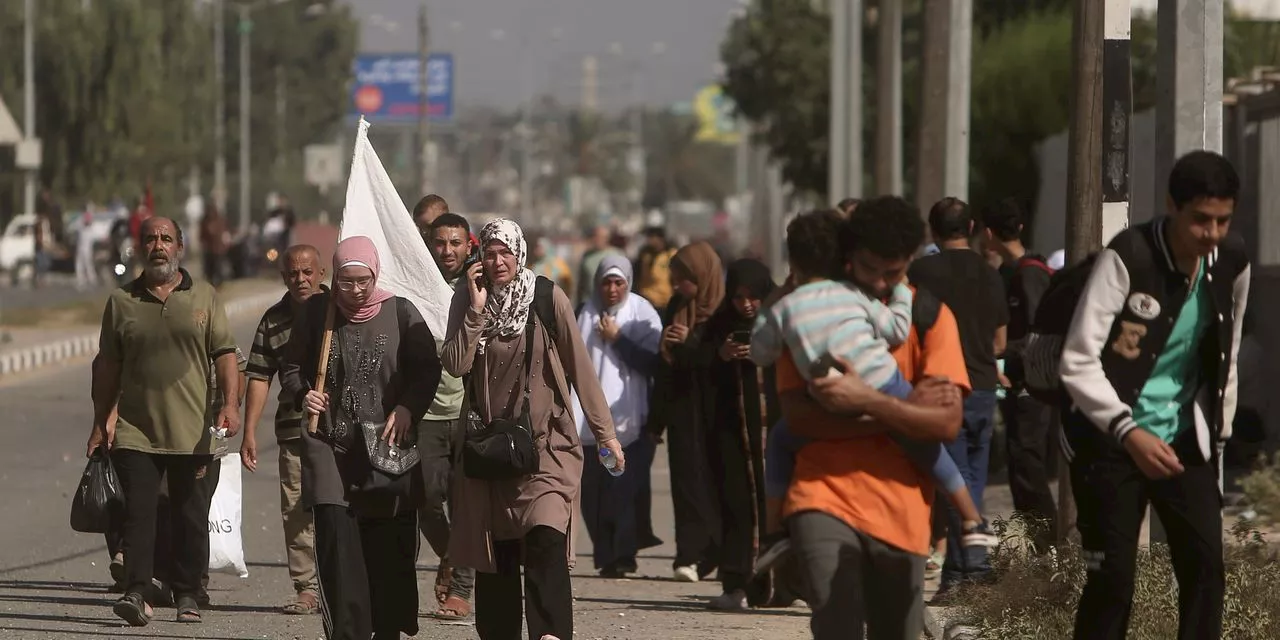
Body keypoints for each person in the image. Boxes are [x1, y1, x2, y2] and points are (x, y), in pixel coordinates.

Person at [1061, 151, 1249, 640]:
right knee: (1113, 583)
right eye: (1200, 220)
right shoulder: (1130, 256)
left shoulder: (1232, 264)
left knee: (1207, 568)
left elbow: (1227, 358)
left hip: (1186, 439)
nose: (1210, 233)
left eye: (1222, 221)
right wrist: (1128, 432)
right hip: (1111, 441)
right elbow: (1077, 360)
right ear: (1172, 205)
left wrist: (1219, 438)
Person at [751, 210, 992, 573]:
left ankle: (771, 534)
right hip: (835, 486)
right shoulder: (857, 299)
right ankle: (972, 519)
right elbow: (896, 333)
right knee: (926, 447)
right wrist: (895, 416)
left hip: (893, 509)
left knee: (780, 441)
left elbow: (762, 357)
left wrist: (865, 405)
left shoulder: (786, 310)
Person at [780, 196, 970, 639]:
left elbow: (945, 424)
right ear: (848, 258)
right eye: (870, 269)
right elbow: (798, 418)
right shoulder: (813, 312)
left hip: (902, 511)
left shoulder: (929, 318)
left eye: (895, 271)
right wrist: (906, 413)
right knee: (837, 621)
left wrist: (865, 401)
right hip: (822, 497)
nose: (882, 283)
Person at [441, 219, 623, 640]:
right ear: (479, 257)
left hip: (546, 448)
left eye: (505, 251)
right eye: (489, 252)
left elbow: (581, 368)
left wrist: (606, 433)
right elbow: (454, 364)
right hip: (490, 454)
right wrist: (473, 310)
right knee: (499, 557)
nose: (498, 260)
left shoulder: (545, 297)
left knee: (545, 539)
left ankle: (551, 634)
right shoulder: (468, 300)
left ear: (519, 253)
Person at [280, 236, 442, 640]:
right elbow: (291, 366)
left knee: (389, 553)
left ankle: (386, 629)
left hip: (388, 450)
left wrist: (406, 407)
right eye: (346, 282)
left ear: (375, 274)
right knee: (339, 550)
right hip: (331, 448)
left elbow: (427, 371)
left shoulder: (402, 313)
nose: (354, 291)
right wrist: (305, 393)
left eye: (362, 282)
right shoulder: (319, 312)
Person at [88, 217, 241, 626]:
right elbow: (107, 367)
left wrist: (231, 405)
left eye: (166, 238)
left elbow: (225, 354)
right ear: (140, 248)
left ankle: (188, 591)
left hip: (193, 432)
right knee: (138, 513)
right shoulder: (122, 302)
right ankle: (138, 591)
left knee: (190, 517)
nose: (158, 245)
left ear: (180, 247)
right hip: (137, 431)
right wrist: (101, 420)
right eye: (151, 238)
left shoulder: (205, 297)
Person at [908, 197, 1008, 595]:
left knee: (952, 477)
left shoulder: (920, 273)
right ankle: (964, 572)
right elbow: (1000, 340)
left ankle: (969, 569)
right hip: (983, 384)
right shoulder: (990, 273)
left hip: (939, 383)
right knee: (972, 479)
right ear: (970, 229)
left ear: (933, 231)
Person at [241, 245, 326, 615]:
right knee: (295, 509)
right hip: (293, 433)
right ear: (284, 277)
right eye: (293, 273)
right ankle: (306, 586)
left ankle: (340, 579)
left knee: (338, 509)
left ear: (321, 274)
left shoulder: (338, 311)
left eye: (308, 272)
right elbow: (259, 376)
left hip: (338, 434)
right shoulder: (273, 320)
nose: (301, 279)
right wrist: (248, 433)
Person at [702, 258, 786, 610]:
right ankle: (737, 585)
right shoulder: (719, 326)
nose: (747, 305)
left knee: (780, 507)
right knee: (737, 508)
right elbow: (697, 368)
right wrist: (721, 355)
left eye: (753, 297)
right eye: (739, 298)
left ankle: (783, 586)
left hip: (777, 433)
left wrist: (766, 354)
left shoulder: (782, 321)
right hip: (733, 435)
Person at [574, 255, 664, 579]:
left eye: (618, 283)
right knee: (594, 493)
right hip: (588, 423)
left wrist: (618, 340)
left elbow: (654, 362)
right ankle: (607, 555)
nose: (612, 289)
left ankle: (624, 554)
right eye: (606, 283)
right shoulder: (583, 313)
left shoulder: (642, 313)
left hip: (630, 420)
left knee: (622, 490)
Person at [646, 241, 725, 583]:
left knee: (714, 484)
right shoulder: (677, 306)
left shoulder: (725, 311)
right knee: (686, 484)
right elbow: (665, 370)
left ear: (701, 276)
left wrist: (691, 343)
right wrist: (656, 421)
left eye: (683, 280)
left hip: (716, 414)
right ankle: (689, 555)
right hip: (681, 411)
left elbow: (719, 362)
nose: (677, 287)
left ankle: (717, 552)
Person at [982, 198, 1058, 548]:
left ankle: (1050, 548)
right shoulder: (1007, 273)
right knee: (1019, 466)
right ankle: (1041, 546)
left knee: (1028, 467)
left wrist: (1004, 354)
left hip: (1032, 386)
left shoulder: (1029, 274)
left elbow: (1037, 332)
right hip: (1017, 385)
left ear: (987, 234)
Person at [420, 212, 477, 619]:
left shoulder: (480, 287)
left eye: (455, 242)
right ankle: (452, 555)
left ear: (468, 244)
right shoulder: (414, 286)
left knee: (467, 504)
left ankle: (461, 590)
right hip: (425, 412)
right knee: (424, 498)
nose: (447, 251)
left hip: (470, 413)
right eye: (440, 243)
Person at [632, 227, 678, 309]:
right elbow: (637, 275)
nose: (649, 241)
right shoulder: (645, 254)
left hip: (665, 301)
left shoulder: (671, 254)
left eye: (652, 237)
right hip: (646, 299)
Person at [576, 225, 622, 304]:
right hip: (589, 302)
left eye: (600, 237)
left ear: (607, 238)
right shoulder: (587, 256)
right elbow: (581, 282)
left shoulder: (617, 254)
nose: (596, 239)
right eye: (595, 236)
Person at [199, 204, 230, 288]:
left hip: (218, 250)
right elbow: (202, 236)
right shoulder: (204, 222)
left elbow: (224, 234)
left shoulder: (220, 221)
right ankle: (211, 283)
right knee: (209, 270)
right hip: (209, 250)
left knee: (218, 268)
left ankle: (218, 284)